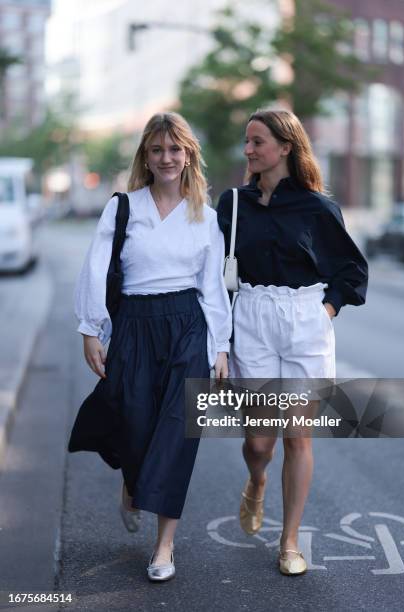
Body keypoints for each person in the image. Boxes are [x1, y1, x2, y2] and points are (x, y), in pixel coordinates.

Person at [69, 112, 232, 582]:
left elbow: (212, 288)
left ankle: (164, 547)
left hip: (187, 327)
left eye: (175, 149)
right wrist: (89, 329)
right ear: (146, 155)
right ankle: (131, 483)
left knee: (178, 435)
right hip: (135, 326)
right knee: (136, 427)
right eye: (157, 149)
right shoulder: (123, 207)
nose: (166, 157)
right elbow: (96, 268)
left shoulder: (205, 215)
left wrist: (219, 346)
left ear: (188, 155)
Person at [217, 108, 368, 576]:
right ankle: (257, 479)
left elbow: (351, 272)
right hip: (254, 319)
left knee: (298, 438)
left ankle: (289, 542)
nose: (249, 150)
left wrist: (323, 312)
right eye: (247, 141)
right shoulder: (233, 204)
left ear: (285, 147)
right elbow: (209, 269)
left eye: (257, 141)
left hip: (304, 320)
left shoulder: (318, 208)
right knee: (260, 442)